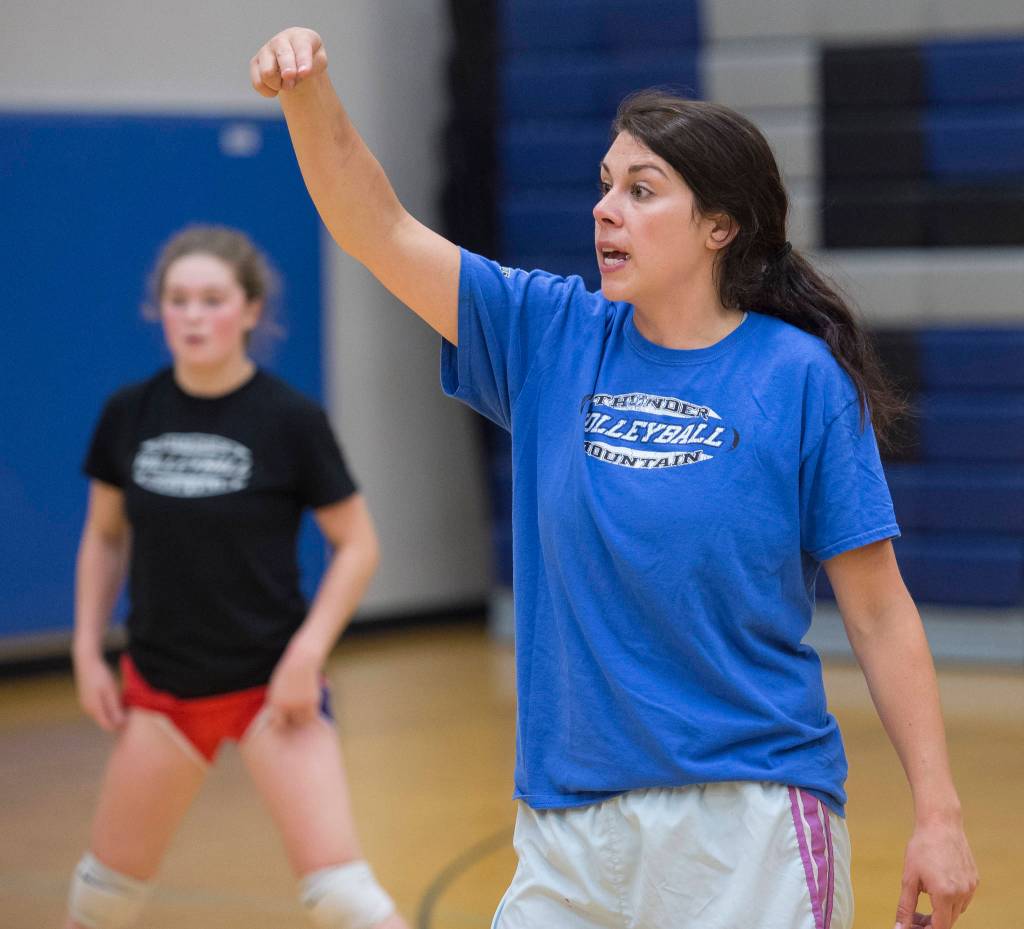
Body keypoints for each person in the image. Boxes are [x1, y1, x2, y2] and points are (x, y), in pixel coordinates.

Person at [249, 28, 979, 929]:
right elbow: (379, 227)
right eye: (604, 186)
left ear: (720, 226)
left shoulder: (799, 379)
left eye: (641, 191)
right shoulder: (548, 335)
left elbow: (877, 609)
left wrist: (938, 814)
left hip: (747, 820)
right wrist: (310, 90)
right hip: (567, 824)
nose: (606, 210)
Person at [66, 225, 409, 929]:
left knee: (344, 898)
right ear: (157, 310)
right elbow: (104, 537)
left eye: (213, 299)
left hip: (270, 691)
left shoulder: (290, 420)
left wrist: (306, 657)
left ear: (251, 311)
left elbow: (358, 545)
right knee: (98, 899)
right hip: (161, 691)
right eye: (179, 299)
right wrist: (85, 647)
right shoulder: (128, 413)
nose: (194, 315)